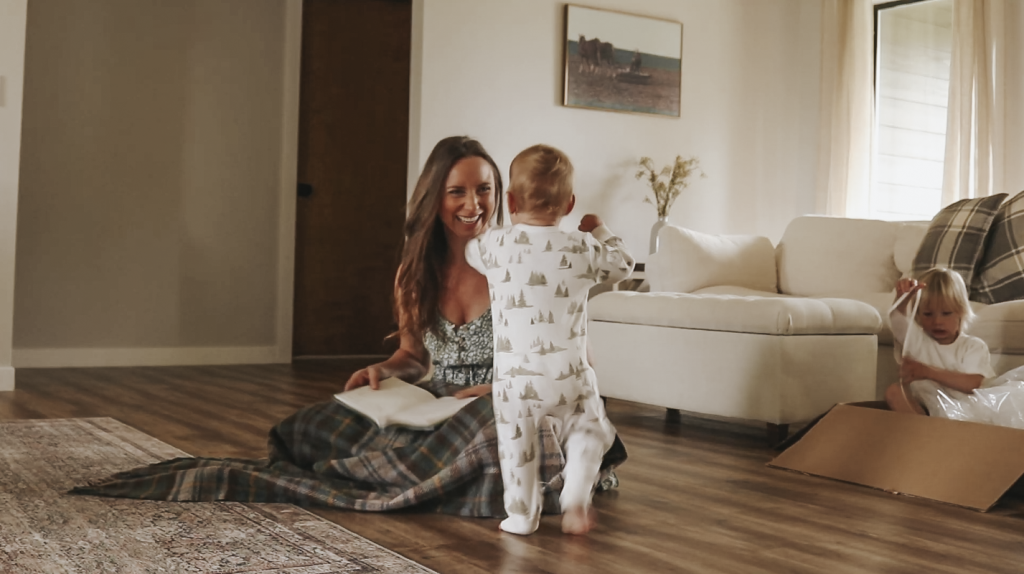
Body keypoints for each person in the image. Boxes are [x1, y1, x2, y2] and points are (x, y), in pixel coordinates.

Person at [72, 136, 627, 518]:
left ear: (501, 196)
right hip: (441, 402)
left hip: (506, 399)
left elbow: (574, 358)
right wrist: (385, 370)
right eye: (457, 191)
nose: (472, 204)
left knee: (497, 428)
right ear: (435, 198)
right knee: (313, 426)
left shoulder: (522, 263)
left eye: (482, 189)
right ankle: (415, 472)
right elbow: (414, 356)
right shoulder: (415, 274)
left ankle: (419, 475)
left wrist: (498, 386)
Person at [465, 144, 634, 535]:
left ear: (508, 200)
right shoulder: (584, 247)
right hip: (571, 374)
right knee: (590, 430)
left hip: (515, 380)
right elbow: (623, 264)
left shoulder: (494, 246)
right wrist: (600, 229)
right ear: (570, 203)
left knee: (516, 446)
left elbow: (472, 248)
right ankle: (575, 497)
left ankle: (522, 516)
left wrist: (486, 226)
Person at [884, 267, 996, 416]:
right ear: (917, 315)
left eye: (946, 313)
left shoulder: (972, 346)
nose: (937, 321)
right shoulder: (918, 340)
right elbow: (897, 319)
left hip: (961, 412)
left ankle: (936, 433)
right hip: (924, 410)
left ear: (961, 312)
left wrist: (927, 372)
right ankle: (925, 431)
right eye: (928, 314)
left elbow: (973, 384)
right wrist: (902, 297)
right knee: (893, 392)